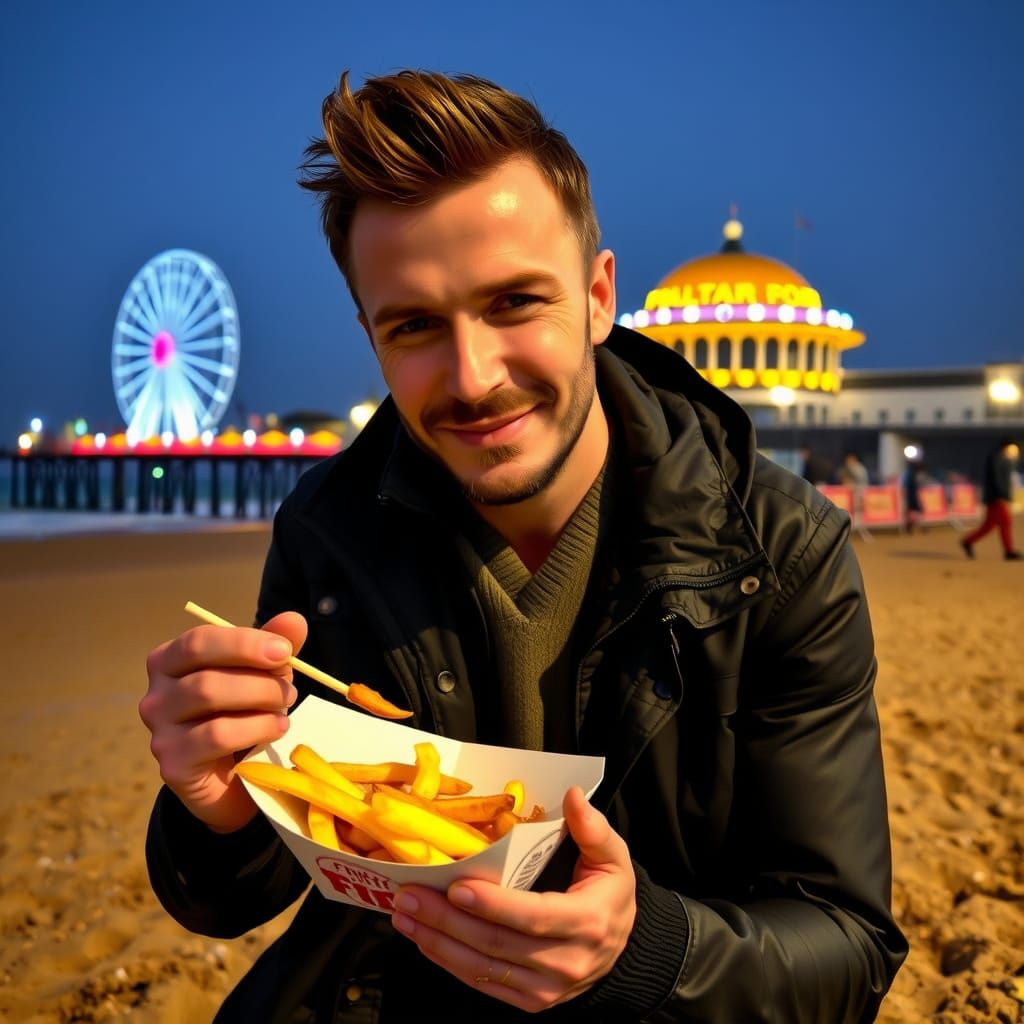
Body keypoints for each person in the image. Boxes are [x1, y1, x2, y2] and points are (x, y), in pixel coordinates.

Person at [140, 70, 907, 1023]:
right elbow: (233, 899)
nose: (473, 378)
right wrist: (215, 806)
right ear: (370, 337)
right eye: (414, 325)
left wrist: (645, 949)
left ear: (597, 296)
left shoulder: (779, 553)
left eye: (513, 304)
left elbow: (847, 948)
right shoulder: (331, 528)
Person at [960, 437, 1022, 560]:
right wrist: (1001, 495)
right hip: (997, 498)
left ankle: (968, 541)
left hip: (997, 497)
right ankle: (1008, 551)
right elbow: (997, 478)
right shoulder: (997, 458)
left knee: (988, 526)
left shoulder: (1005, 458)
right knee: (1005, 523)